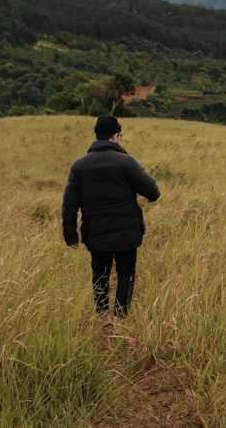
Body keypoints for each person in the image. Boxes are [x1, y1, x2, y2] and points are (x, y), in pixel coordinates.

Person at [62, 115, 160, 317]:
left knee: (100, 274)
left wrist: (70, 235)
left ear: (97, 136)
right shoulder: (126, 162)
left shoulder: (79, 166)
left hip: (95, 231)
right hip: (127, 231)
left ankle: (101, 316)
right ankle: (121, 318)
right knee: (126, 273)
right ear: (115, 136)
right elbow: (153, 191)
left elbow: (69, 205)